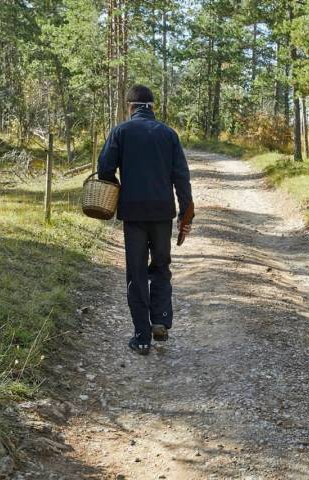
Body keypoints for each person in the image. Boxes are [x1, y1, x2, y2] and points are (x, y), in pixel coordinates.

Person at [98, 84, 193, 356]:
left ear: (130, 107)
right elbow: (181, 177)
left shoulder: (121, 132)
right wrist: (185, 211)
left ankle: (141, 336)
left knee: (136, 272)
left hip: (133, 213)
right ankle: (161, 319)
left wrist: (118, 188)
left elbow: (104, 168)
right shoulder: (168, 134)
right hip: (163, 213)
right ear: (152, 107)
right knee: (161, 265)